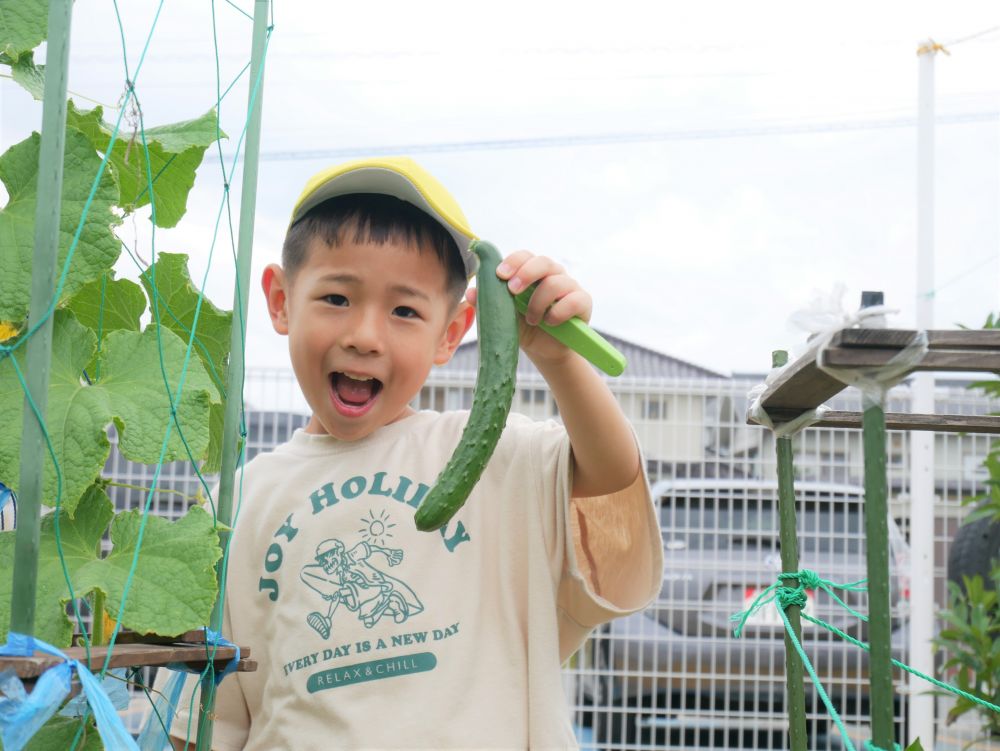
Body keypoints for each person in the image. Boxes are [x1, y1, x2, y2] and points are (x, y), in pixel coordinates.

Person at [165, 156, 663, 750]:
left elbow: (609, 484)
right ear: (280, 300)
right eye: (336, 298)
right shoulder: (238, 500)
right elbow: (211, 722)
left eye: (405, 311)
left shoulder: (497, 460)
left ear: (452, 333)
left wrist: (560, 361)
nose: (365, 336)